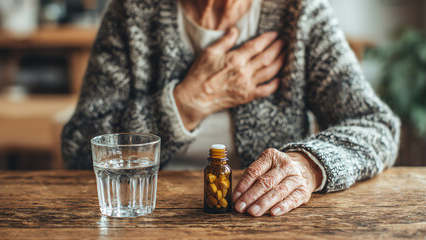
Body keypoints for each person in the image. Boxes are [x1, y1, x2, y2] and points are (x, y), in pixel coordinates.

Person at [61, 0, 400, 217]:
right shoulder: (131, 13)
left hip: (266, 221)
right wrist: (186, 102)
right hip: (142, 220)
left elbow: (375, 125)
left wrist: (308, 165)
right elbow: (79, 145)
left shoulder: (300, 13)